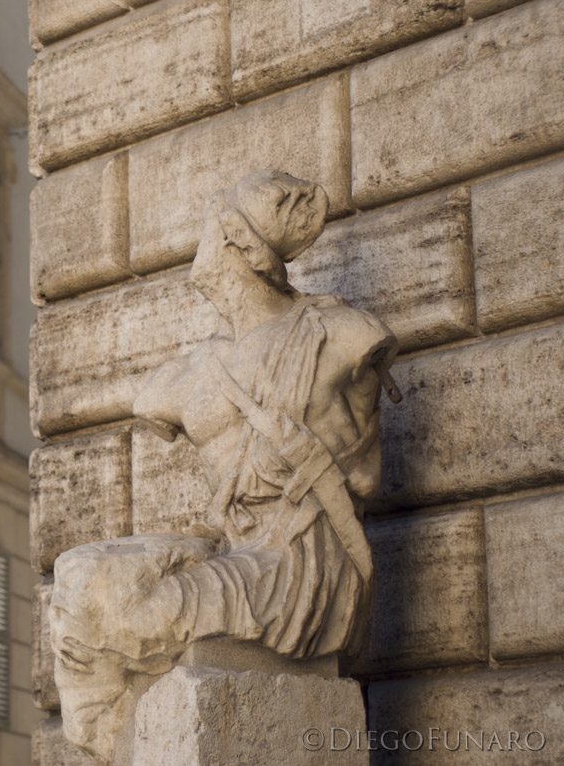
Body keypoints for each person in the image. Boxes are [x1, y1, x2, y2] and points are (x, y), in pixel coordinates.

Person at [50, 170, 400, 765]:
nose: (199, 247)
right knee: (79, 575)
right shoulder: (182, 378)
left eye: (211, 228)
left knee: (125, 615)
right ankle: (103, 746)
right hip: (238, 553)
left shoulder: (342, 337)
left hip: (300, 567)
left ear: (237, 244)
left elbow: (365, 479)